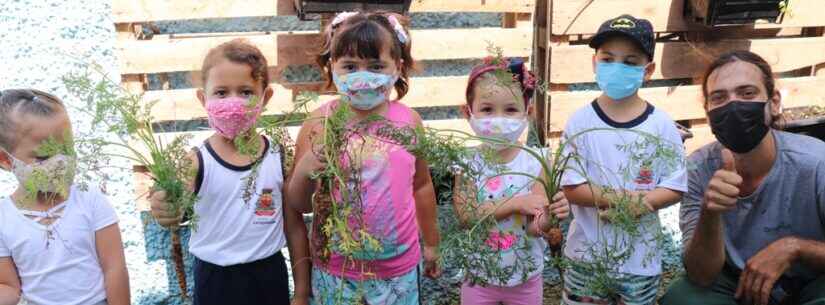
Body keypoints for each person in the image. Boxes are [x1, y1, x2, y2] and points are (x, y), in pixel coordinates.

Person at [286, 11, 440, 305]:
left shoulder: (409, 122)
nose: (363, 76)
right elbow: (298, 204)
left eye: (376, 66)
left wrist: (431, 243)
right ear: (332, 67)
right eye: (350, 66)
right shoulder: (319, 124)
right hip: (336, 271)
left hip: (398, 271)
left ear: (398, 67)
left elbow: (421, 186)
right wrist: (305, 169)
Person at [149, 39, 311, 305]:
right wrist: (162, 204)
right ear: (204, 98)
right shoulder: (196, 161)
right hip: (216, 281)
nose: (233, 102)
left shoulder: (278, 156)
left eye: (246, 92)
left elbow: (294, 227)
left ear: (265, 97)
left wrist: (302, 292)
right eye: (221, 93)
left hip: (269, 276)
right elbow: (171, 201)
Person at [660, 50, 825, 305]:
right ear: (708, 112)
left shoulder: (816, 162)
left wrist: (795, 248)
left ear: (774, 102)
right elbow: (701, 275)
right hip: (738, 286)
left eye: (747, 93)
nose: (733, 105)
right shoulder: (698, 169)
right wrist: (710, 212)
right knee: (680, 297)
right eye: (719, 97)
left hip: (813, 283)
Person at [559, 14, 687, 305]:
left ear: (648, 69)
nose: (617, 68)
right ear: (594, 63)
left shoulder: (661, 126)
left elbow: (676, 185)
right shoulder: (580, 123)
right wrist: (618, 199)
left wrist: (641, 203)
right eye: (607, 59)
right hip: (586, 257)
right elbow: (572, 187)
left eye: (630, 62)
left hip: (639, 261)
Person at [453, 59, 570, 305]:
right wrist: (516, 203)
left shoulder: (537, 161)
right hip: (479, 275)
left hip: (525, 276)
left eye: (510, 110)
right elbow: (467, 215)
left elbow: (534, 227)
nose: (498, 119)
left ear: (527, 112)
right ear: (468, 112)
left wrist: (550, 215)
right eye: (487, 109)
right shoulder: (466, 163)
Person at [0, 89, 130, 305]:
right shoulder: (3, 219)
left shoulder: (90, 200)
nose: (60, 162)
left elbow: (114, 269)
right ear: (5, 159)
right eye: (44, 156)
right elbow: (10, 288)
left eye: (67, 149)